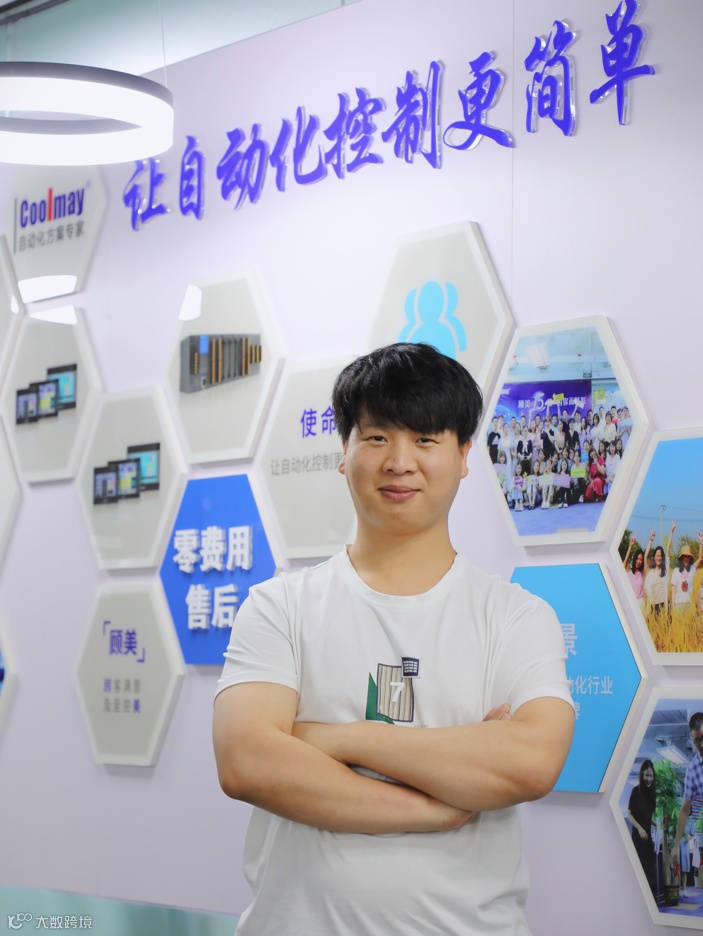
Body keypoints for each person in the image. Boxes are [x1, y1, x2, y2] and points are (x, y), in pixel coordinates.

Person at [212, 343, 575, 936]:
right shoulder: (279, 606)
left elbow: (531, 763)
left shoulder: (516, 617)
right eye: (377, 437)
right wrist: (432, 809)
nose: (400, 462)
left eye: (426, 439)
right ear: (344, 453)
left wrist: (337, 738)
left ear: (464, 455)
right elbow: (247, 762)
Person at [671, 713, 703, 882]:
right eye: (697, 741)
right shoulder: (693, 769)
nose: (701, 745)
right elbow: (684, 809)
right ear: (691, 739)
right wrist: (676, 845)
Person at [627, 760, 657, 897]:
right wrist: (639, 828)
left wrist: (654, 822)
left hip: (648, 839)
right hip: (638, 839)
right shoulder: (636, 791)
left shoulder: (651, 794)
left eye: (651, 776)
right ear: (641, 775)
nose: (649, 779)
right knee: (639, 872)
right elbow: (630, 815)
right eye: (646, 775)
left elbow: (646, 815)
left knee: (650, 873)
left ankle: (650, 902)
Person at [669, 534, 703, 615]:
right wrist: (673, 607)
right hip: (678, 605)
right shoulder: (676, 571)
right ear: (681, 558)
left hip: (689, 604)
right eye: (684, 556)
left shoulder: (692, 569)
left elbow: (700, 559)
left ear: (690, 558)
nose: (686, 559)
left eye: (688, 557)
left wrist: (701, 542)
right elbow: (673, 591)